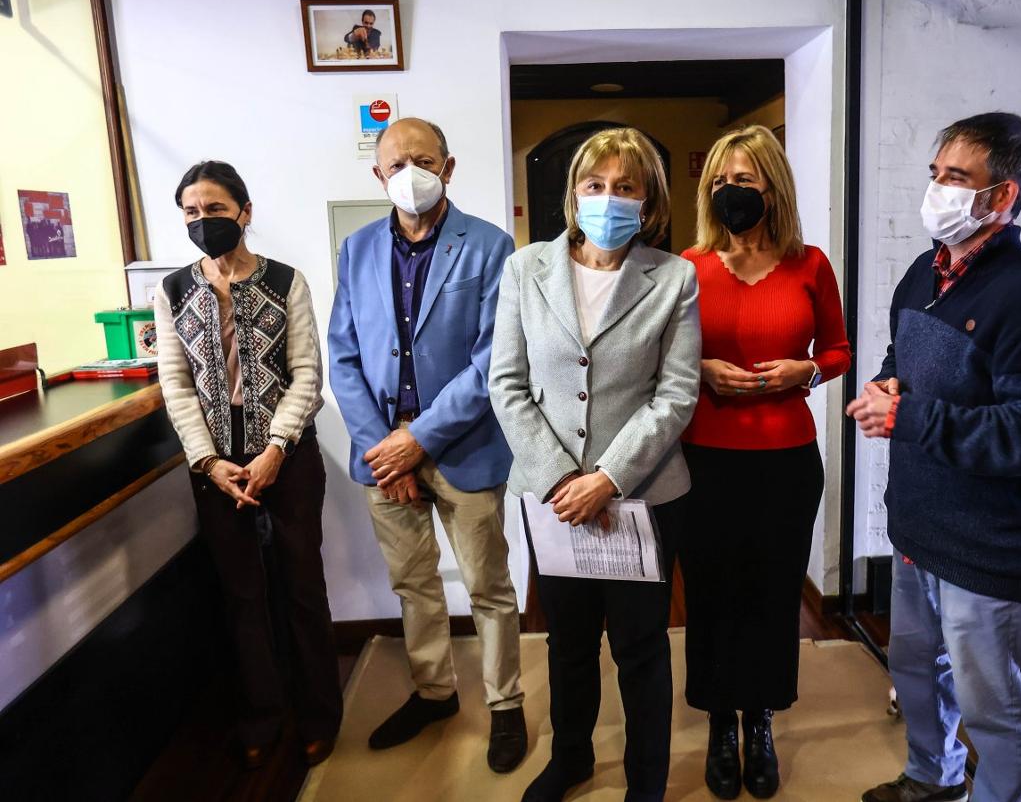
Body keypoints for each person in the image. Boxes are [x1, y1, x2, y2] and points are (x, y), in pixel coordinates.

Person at [848, 113, 1021, 802]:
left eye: (958, 178)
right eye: (936, 175)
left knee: (1001, 713)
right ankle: (933, 777)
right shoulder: (927, 270)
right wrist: (889, 383)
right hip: (920, 531)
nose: (938, 191)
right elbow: (904, 356)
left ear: (1001, 197)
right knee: (917, 671)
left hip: (988, 549)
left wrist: (909, 414)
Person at [488, 126, 701, 802]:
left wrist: (607, 479)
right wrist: (562, 479)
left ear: (650, 201)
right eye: (594, 185)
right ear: (573, 194)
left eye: (625, 188)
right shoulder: (526, 269)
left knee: (641, 647)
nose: (608, 198)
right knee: (567, 640)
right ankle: (571, 757)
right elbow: (506, 383)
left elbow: (676, 394)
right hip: (549, 498)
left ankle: (647, 780)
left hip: (640, 496)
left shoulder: (674, 278)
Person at [327, 117, 527, 772]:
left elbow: (492, 361)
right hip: (383, 453)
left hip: (464, 447)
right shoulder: (356, 250)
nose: (408, 172)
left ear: (448, 166)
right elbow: (345, 355)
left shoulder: (491, 247)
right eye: (395, 163)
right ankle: (434, 690)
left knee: (488, 585)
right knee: (414, 584)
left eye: (422, 158)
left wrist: (419, 439)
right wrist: (385, 446)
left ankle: (505, 703)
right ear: (378, 175)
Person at [678, 124, 851, 800]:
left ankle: (763, 718)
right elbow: (658, 357)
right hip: (704, 459)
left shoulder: (810, 264)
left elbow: (837, 350)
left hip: (785, 460)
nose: (730, 192)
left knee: (774, 594)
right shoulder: (687, 267)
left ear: (771, 186)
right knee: (714, 593)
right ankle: (722, 721)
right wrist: (698, 369)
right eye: (719, 182)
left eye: (743, 180)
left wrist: (804, 371)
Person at [154, 160, 341, 768]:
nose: (203, 221)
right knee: (241, 595)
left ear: (244, 212)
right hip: (216, 470)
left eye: (214, 209)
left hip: (287, 459)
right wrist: (208, 463)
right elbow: (175, 384)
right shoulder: (174, 289)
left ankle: (318, 713)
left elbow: (309, 374)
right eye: (191, 212)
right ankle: (261, 714)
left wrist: (275, 449)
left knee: (301, 587)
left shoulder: (286, 280)